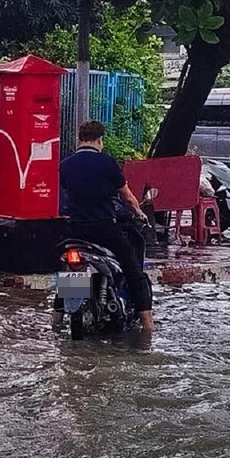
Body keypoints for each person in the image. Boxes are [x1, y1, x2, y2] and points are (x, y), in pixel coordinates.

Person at [57, 120, 155, 331]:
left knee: (70, 276)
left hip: (75, 230)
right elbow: (127, 198)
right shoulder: (108, 163)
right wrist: (139, 213)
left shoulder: (65, 165)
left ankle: (55, 323)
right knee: (134, 272)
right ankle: (148, 328)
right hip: (104, 229)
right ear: (101, 140)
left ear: (79, 139)